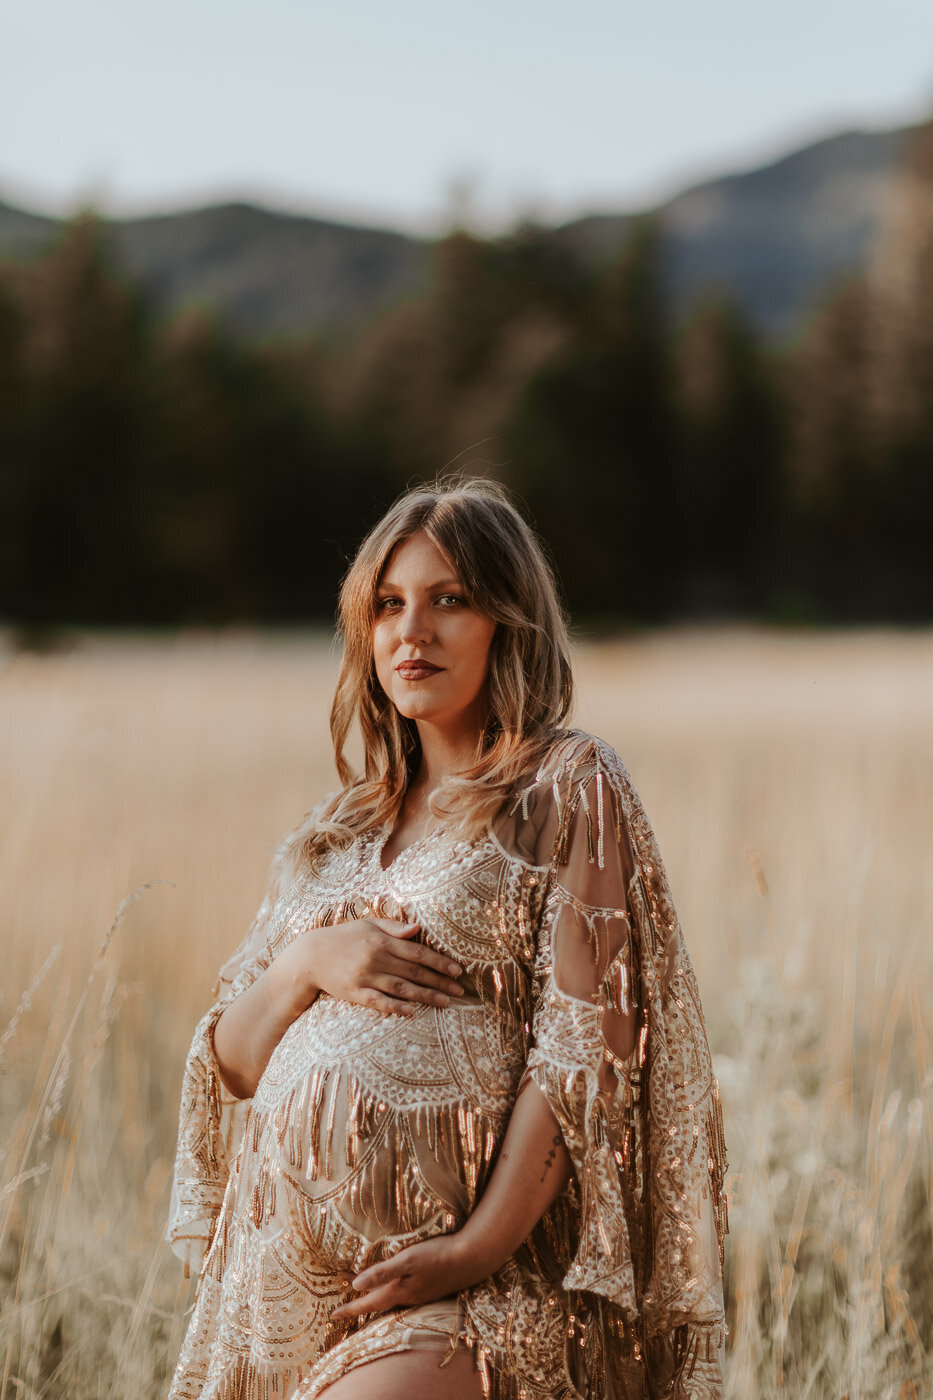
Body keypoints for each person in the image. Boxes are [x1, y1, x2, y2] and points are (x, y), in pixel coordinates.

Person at [166, 478, 728, 1400]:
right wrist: (305, 965)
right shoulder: (334, 833)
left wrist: (475, 1246)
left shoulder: (564, 784)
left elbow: (586, 1051)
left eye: (448, 600)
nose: (411, 632)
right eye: (388, 605)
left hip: (483, 1290)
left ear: (508, 622)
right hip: (286, 1302)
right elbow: (231, 1059)